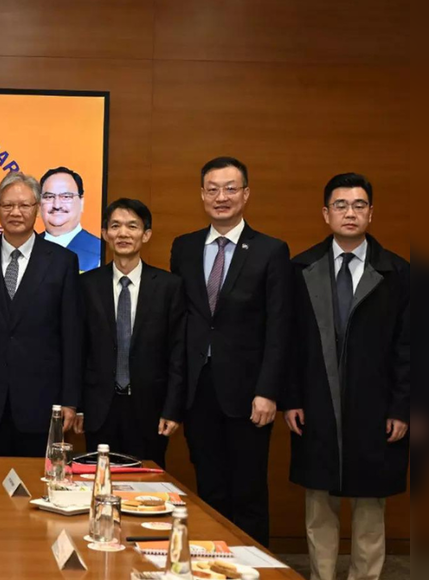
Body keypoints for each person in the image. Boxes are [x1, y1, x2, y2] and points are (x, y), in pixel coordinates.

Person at [285, 173, 409, 580]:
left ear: (371, 213)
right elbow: (289, 342)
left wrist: (401, 407)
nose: (350, 213)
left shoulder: (399, 274)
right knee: (319, 506)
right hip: (317, 406)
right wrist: (292, 398)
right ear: (326, 213)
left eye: (359, 205)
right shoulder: (301, 269)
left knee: (370, 511)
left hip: (375, 409)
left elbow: (408, 348)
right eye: (341, 205)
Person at [169, 156, 292, 547]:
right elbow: (181, 322)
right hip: (199, 391)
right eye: (212, 189)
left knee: (249, 492)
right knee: (209, 490)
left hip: (248, 393)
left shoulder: (270, 250)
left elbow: (279, 328)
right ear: (202, 194)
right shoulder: (184, 247)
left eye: (230, 188)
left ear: (246, 194)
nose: (221, 197)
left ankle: (254, 570)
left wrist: (268, 391)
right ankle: (211, 566)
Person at [0, 172, 81, 457]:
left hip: (41, 402)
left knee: (36, 490)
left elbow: (72, 336)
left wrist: (70, 400)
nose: (16, 212)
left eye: (24, 205)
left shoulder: (63, 262)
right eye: (8, 205)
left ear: (37, 208)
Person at [78, 198, 186, 468]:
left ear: (146, 234)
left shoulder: (168, 287)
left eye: (132, 226)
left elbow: (177, 352)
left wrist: (172, 409)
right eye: (115, 226)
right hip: (99, 408)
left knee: (147, 487)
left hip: (150, 409)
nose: (123, 233)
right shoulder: (86, 285)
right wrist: (78, 405)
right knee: (99, 483)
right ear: (105, 234)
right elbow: (78, 349)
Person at [41, 167, 102, 271]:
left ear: (81, 202)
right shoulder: (27, 249)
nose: (57, 205)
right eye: (49, 197)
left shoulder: (100, 251)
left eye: (66, 197)